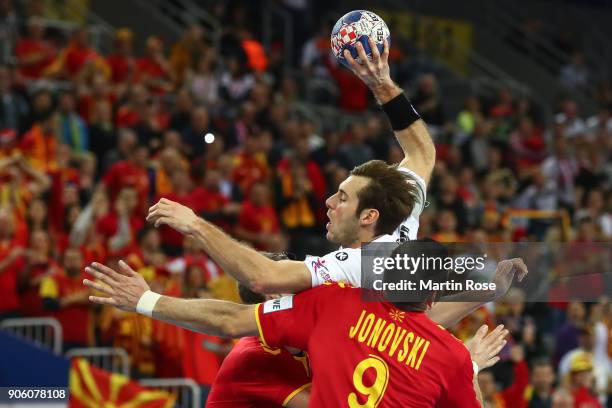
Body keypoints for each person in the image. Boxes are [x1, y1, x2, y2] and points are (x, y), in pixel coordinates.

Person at [146, 37, 526, 328]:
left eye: (342, 198)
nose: (328, 201)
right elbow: (423, 153)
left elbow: (262, 280)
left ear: (368, 217)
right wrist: (383, 86)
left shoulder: (356, 266)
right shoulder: (402, 221)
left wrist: (194, 225)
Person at [84, 240, 512, 406]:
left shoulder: (317, 326)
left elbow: (407, 327)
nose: (305, 285)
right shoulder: (256, 358)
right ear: (275, 300)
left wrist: (484, 295)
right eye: (290, 283)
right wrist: (463, 365)